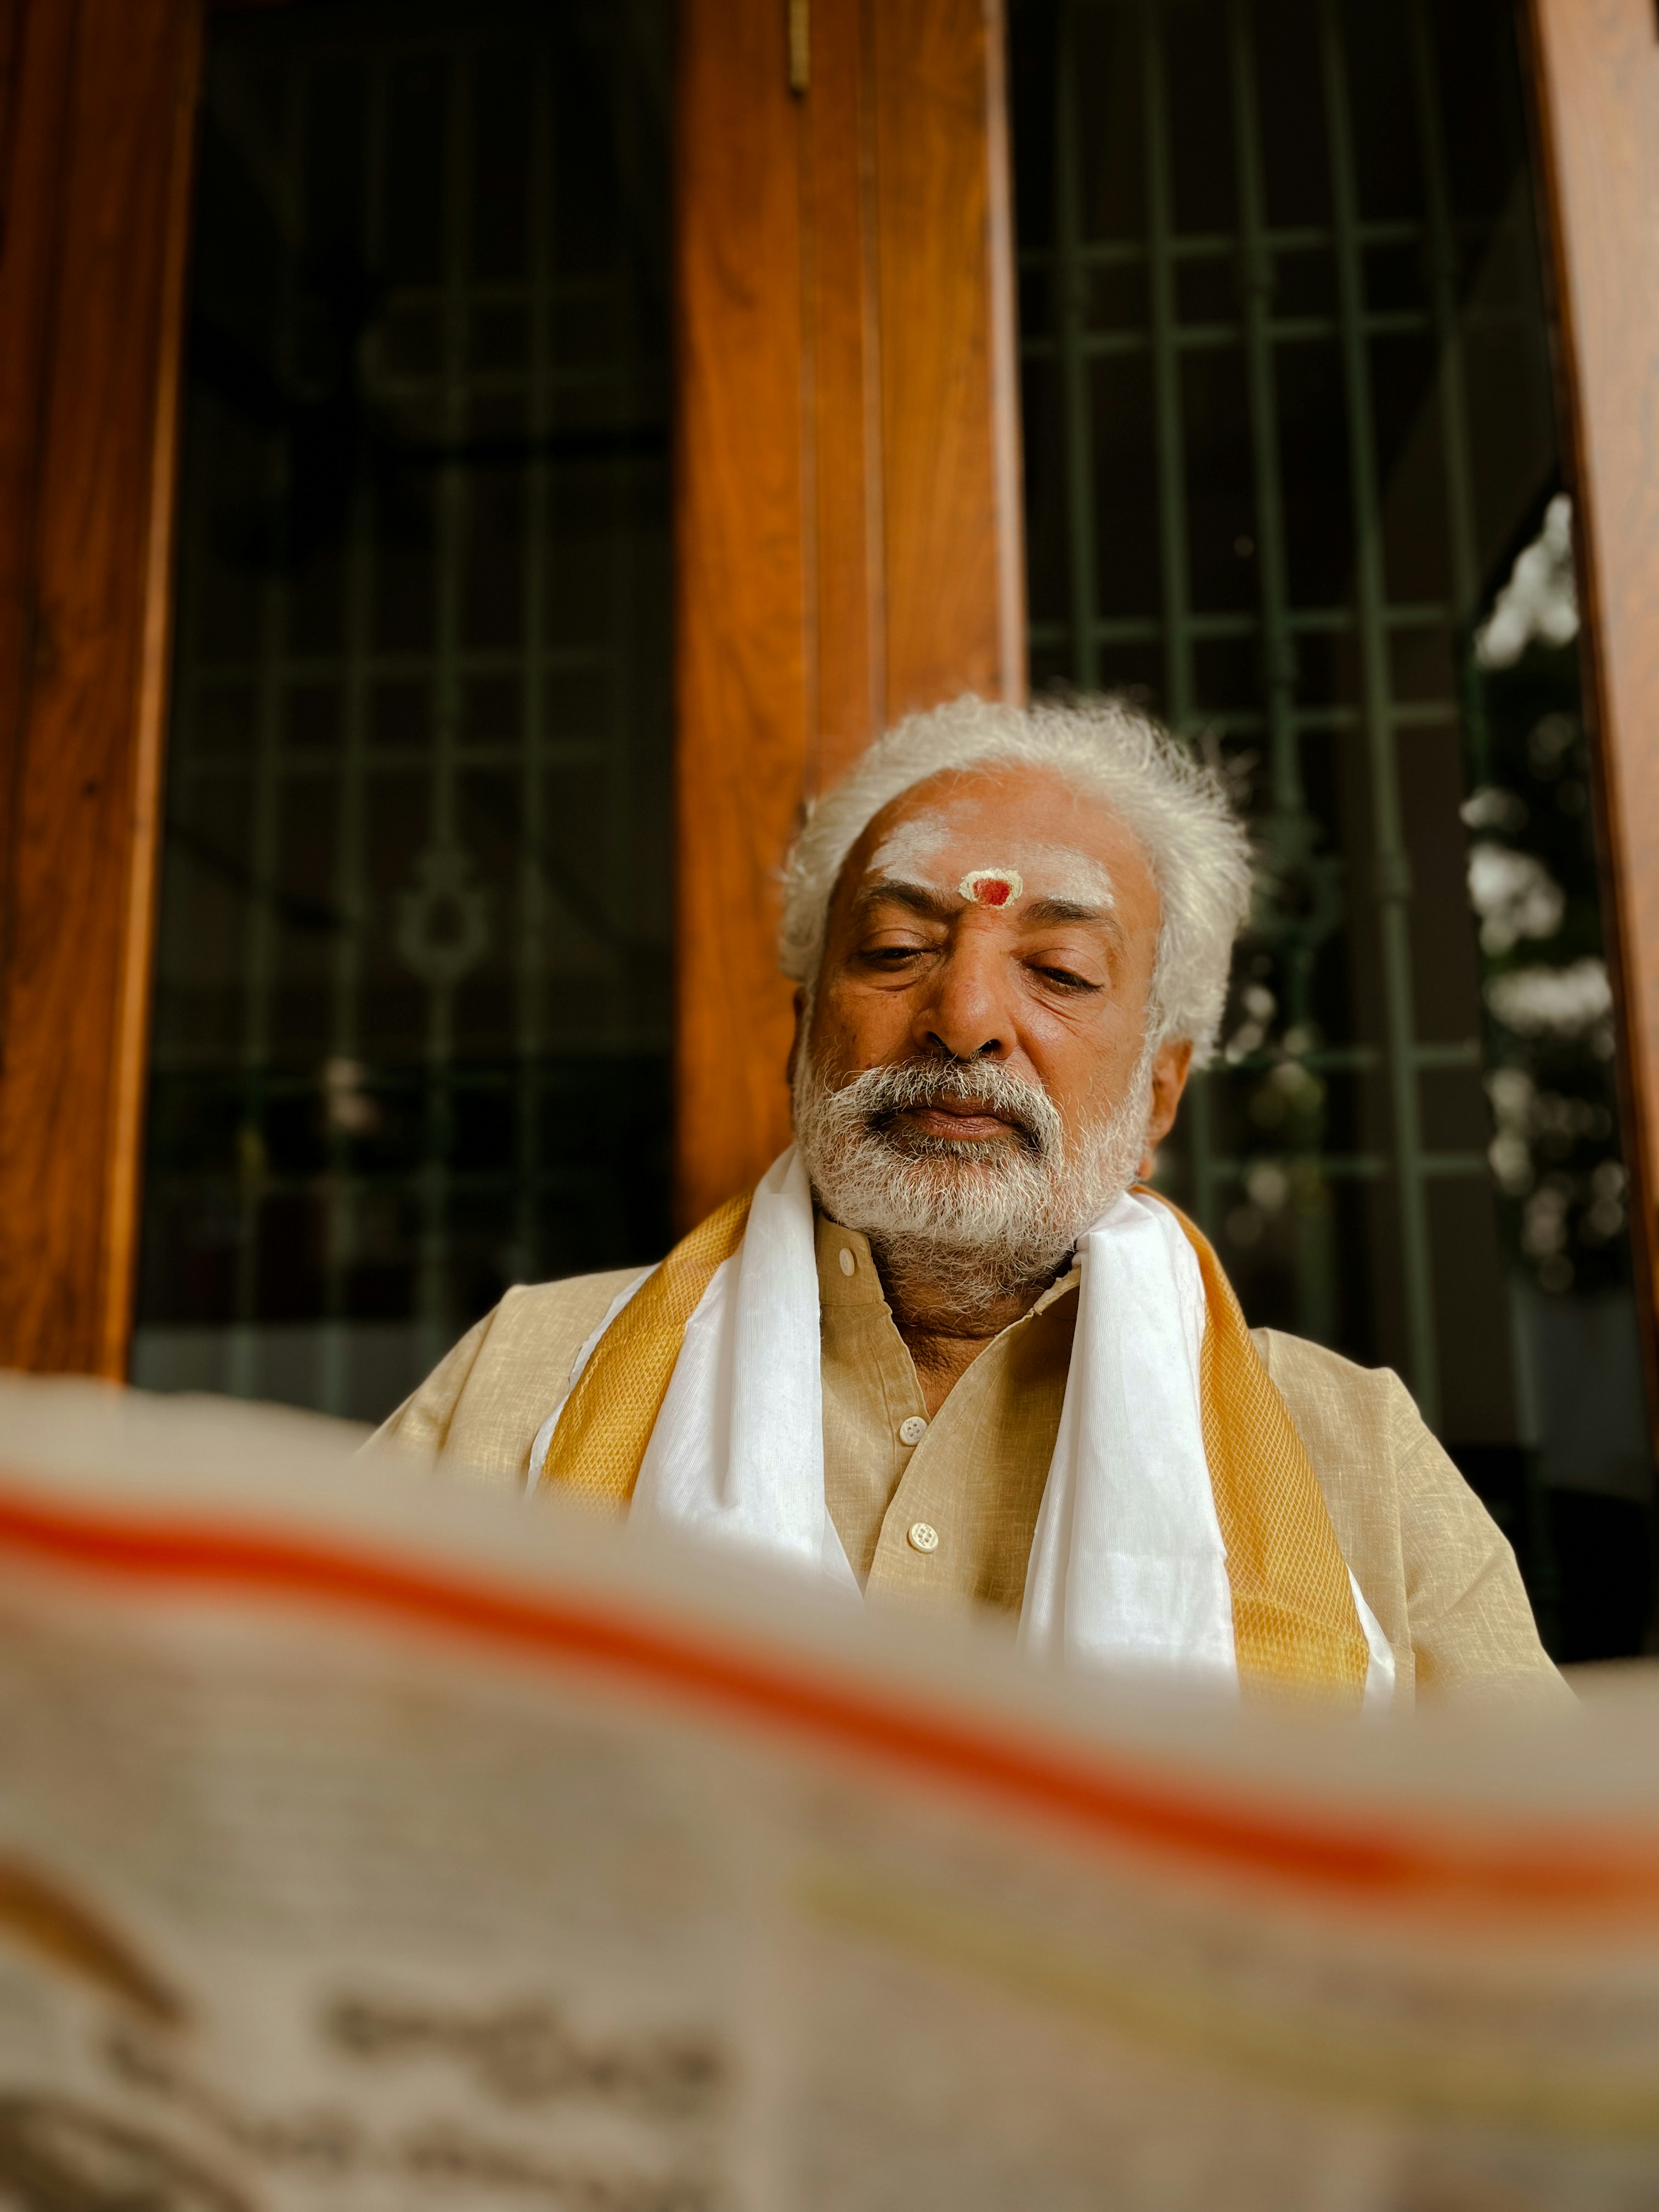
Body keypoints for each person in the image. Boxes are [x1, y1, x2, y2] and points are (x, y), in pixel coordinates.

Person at [374, 696, 1563, 1705]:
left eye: (1057, 971)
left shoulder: (1355, 1452)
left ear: (1159, 1089)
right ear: (804, 1037)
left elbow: (1549, 1915)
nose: (964, 1018)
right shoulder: (522, 1380)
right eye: (896, 950)